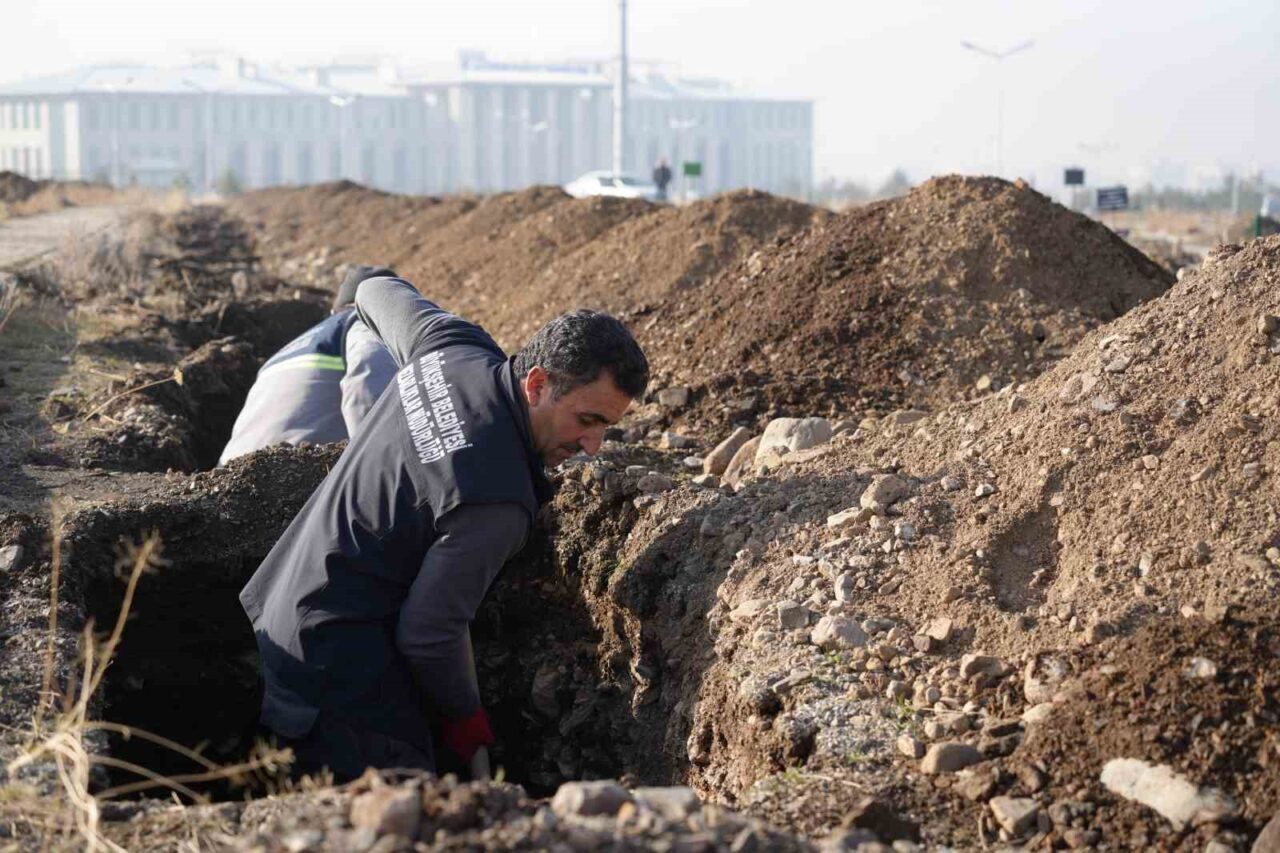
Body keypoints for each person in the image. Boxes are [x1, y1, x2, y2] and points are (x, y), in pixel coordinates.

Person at [239, 274, 649, 782]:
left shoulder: (451, 347)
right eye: (586, 420)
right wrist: (466, 720)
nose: (593, 445)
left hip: (283, 605)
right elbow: (430, 633)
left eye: (606, 426)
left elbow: (372, 290)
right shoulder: (496, 501)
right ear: (538, 383)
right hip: (335, 666)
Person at [217, 265, 399, 466]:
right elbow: (369, 384)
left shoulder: (283, 353)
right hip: (294, 473)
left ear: (333, 310)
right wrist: (387, 465)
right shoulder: (363, 321)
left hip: (228, 473)